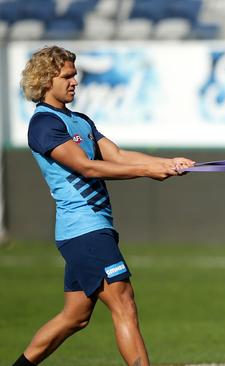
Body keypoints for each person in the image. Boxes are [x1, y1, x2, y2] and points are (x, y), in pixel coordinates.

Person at [12, 46, 195, 366]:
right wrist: (148, 171)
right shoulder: (43, 124)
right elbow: (88, 168)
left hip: (94, 230)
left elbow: (119, 157)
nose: (75, 81)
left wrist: (167, 162)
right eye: (66, 76)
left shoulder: (80, 121)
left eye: (74, 74)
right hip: (84, 232)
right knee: (124, 302)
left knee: (75, 317)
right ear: (45, 80)